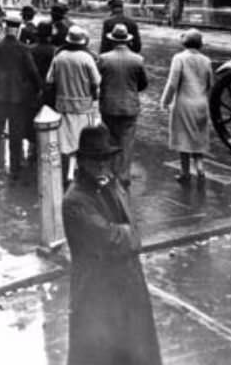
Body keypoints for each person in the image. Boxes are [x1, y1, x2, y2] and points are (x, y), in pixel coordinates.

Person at [62, 124, 162, 365]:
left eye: (106, 159)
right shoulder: (75, 201)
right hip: (97, 297)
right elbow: (110, 239)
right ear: (82, 161)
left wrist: (127, 233)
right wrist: (130, 235)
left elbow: (127, 226)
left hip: (128, 290)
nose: (101, 165)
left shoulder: (112, 184)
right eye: (95, 160)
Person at [0, 18, 42, 178]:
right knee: (16, 131)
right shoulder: (23, 49)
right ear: (17, 30)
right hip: (17, 97)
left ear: (5, 29)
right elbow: (32, 72)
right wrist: (38, 88)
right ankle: (15, 165)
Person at [46, 25, 101, 182]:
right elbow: (97, 81)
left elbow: (49, 79)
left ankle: (63, 172)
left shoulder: (59, 56)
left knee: (64, 139)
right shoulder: (87, 58)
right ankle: (72, 171)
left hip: (62, 104)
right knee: (79, 139)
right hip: (83, 105)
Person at [160, 28, 213, 185]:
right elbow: (211, 84)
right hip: (201, 102)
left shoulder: (179, 58)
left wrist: (165, 101)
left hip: (184, 102)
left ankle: (185, 173)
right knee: (198, 137)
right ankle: (200, 168)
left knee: (183, 137)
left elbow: (172, 83)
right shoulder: (206, 60)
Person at [97, 23, 148, 184]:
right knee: (127, 142)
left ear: (112, 41)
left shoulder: (103, 59)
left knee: (110, 139)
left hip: (108, 106)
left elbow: (98, 82)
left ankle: (111, 172)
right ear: (127, 41)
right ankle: (124, 175)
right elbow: (143, 84)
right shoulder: (137, 60)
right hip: (130, 106)